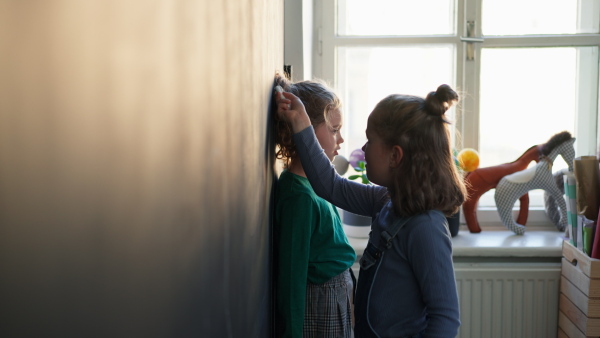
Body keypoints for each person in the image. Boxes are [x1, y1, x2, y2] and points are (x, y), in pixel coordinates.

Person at [276, 84, 466, 337]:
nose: (363, 150)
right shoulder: (386, 201)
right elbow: (330, 186)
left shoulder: (426, 227)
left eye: (370, 141)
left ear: (395, 156)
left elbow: (445, 318)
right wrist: (300, 121)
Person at [272, 74, 357, 337]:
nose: (340, 139)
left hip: (335, 299)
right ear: (304, 129)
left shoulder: (319, 186)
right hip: (320, 304)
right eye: (333, 130)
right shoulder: (299, 196)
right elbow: (291, 275)